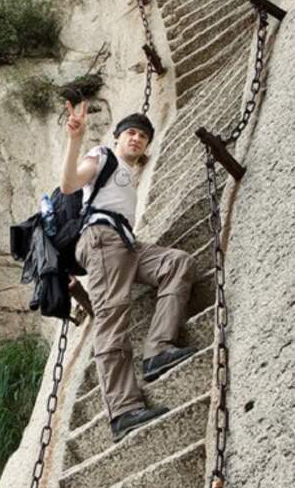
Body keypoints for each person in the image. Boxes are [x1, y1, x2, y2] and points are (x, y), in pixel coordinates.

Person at [60, 101, 197, 442]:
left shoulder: (127, 176)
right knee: (112, 318)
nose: (137, 139)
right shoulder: (103, 156)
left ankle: (158, 350)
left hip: (125, 243)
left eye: (143, 136)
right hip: (102, 239)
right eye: (131, 133)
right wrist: (74, 139)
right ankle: (123, 411)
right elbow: (69, 185)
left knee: (177, 262)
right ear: (118, 138)